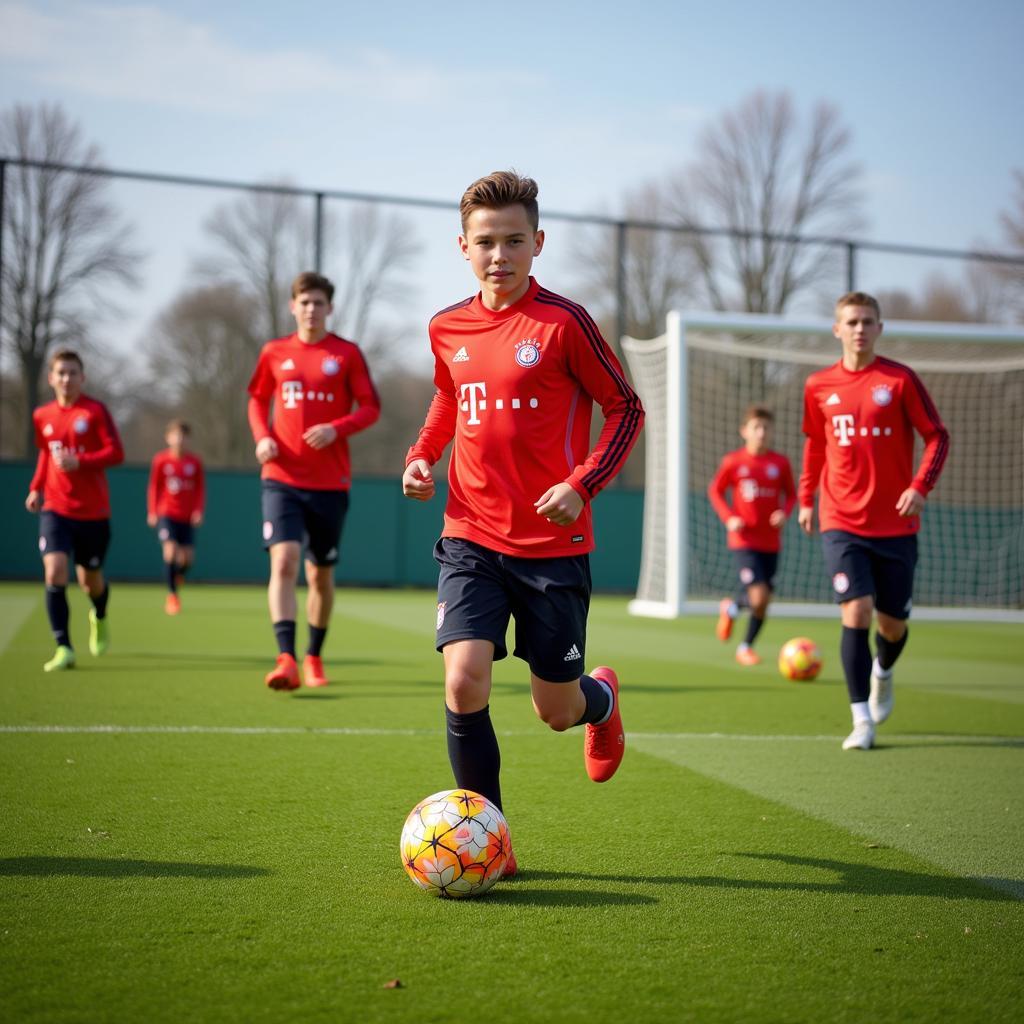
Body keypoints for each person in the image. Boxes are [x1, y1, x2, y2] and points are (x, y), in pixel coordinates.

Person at [402, 170, 645, 874]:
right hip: (470, 533)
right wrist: (422, 457)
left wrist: (583, 483)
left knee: (556, 711)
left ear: (538, 242)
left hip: (553, 546)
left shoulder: (565, 324)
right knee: (462, 681)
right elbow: (448, 403)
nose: (499, 255)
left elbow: (625, 409)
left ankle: (600, 702)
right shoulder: (446, 327)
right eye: (485, 242)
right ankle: (491, 843)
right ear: (462, 246)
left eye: (514, 240)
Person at [798, 292, 950, 750]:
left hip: (896, 525)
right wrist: (807, 498)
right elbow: (815, 447)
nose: (860, 328)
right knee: (856, 611)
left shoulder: (899, 380)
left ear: (880, 328)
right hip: (840, 519)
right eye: (852, 321)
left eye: (868, 321)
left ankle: (883, 671)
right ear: (837, 329)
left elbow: (937, 436)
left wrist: (919, 486)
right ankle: (861, 720)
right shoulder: (818, 385)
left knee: (891, 626)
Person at [247, 271, 381, 691]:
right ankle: (285, 657)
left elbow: (370, 407)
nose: (311, 309)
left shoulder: (346, 354)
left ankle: (314, 656)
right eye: (304, 302)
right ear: (293, 306)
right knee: (283, 561)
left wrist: (336, 428)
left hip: (329, 483)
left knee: (320, 575)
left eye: (318, 302)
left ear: (329, 308)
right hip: (281, 478)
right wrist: (263, 437)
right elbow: (256, 399)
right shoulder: (274, 352)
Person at [24, 349, 124, 671]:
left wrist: (80, 461)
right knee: (54, 571)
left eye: (72, 372)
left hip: (93, 513)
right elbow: (44, 454)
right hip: (56, 508)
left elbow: (116, 453)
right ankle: (63, 647)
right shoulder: (42, 415)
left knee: (89, 582)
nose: (66, 378)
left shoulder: (95, 411)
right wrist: (36, 487)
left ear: (83, 377)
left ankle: (100, 614)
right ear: (51, 378)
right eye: (61, 373)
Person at [708, 404, 796, 665]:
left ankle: (739, 628)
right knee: (759, 596)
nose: (762, 432)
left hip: (771, 541)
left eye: (766, 428)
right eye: (756, 427)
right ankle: (742, 640)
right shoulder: (733, 461)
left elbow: (791, 494)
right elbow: (715, 491)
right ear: (744, 431)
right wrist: (729, 517)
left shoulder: (780, 463)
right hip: (744, 540)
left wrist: (784, 513)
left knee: (763, 602)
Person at [147, 419, 205, 615]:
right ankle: (172, 596)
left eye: (183, 436)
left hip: (186, 517)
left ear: (188, 439)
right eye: (175, 435)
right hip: (167, 514)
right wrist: (153, 511)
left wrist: (198, 510)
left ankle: (176, 575)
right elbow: (154, 487)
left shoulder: (194, 462)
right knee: (170, 552)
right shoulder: (161, 460)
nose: (179, 439)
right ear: (168, 438)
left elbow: (200, 489)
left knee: (187, 560)